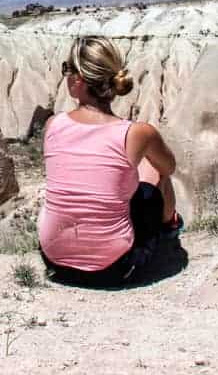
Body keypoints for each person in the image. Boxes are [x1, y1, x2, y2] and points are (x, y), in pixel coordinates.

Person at [38, 35, 183, 287]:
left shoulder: (53, 125)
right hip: (114, 270)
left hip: (54, 263)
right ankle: (170, 229)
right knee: (155, 171)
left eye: (66, 69)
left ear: (77, 80)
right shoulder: (138, 133)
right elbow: (169, 167)